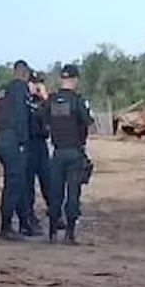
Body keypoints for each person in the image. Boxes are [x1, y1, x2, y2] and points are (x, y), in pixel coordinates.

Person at [44, 64, 94, 245]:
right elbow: (88, 123)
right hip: (74, 152)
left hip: (57, 153)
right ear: (75, 80)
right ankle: (70, 235)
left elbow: (45, 122)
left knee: (55, 193)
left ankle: (51, 233)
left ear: (61, 79)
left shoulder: (51, 100)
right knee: (73, 194)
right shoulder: (78, 101)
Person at [0, 59, 31, 241]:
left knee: (15, 182)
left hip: (1, 139)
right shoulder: (20, 89)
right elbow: (22, 117)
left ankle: (23, 223)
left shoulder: (2, 90)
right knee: (14, 185)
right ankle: (6, 228)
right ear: (24, 75)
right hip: (13, 140)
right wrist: (23, 141)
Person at [18, 71, 51, 236]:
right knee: (28, 185)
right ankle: (28, 218)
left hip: (41, 144)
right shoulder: (24, 100)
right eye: (35, 83)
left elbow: (51, 115)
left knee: (48, 180)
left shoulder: (42, 101)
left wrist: (45, 98)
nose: (38, 86)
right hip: (28, 144)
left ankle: (54, 213)